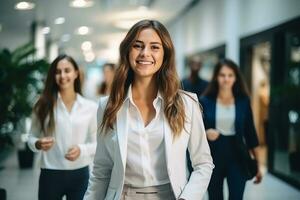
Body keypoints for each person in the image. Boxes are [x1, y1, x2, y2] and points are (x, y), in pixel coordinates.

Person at [84, 19, 214, 200]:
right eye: (138, 46)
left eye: (154, 47)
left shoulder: (186, 104)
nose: (145, 53)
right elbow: (101, 170)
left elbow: (203, 163)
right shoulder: (108, 106)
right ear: (127, 51)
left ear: (165, 54)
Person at [28, 54, 98, 200]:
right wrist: (38, 143)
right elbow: (31, 137)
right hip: (50, 174)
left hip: (80, 174)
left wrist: (82, 149)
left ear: (76, 73)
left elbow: (98, 143)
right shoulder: (42, 105)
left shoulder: (90, 107)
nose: (62, 75)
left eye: (67, 70)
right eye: (58, 71)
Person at [200, 58, 263, 200]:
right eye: (222, 75)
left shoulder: (243, 101)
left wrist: (258, 165)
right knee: (215, 197)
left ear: (235, 78)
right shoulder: (205, 101)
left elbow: (251, 133)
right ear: (216, 77)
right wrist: (205, 133)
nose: (226, 79)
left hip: (238, 154)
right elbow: (195, 132)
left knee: (236, 196)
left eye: (230, 75)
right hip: (213, 155)